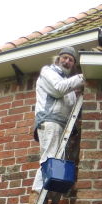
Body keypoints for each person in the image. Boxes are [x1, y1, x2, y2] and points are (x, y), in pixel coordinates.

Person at [32, 46, 85, 194]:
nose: (67, 61)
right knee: (49, 158)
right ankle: (36, 196)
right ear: (58, 59)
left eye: (71, 60)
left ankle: (48, 203)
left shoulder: (67, 82)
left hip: (61, 125)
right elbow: (58, 89)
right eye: (65, 58)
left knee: (57, 163)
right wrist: (81, 77)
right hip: (50, 121)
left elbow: (71, 105)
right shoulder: (48, 72)